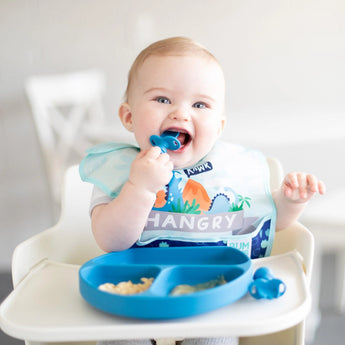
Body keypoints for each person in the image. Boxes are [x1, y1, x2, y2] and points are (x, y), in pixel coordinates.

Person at [79, 37, 325, 345]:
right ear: (129, 116)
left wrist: (289, 202)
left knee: (216, 339)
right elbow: (111, 240)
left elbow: (265, 219)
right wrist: (139, 187)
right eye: (163, 100)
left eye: (199, 105)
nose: (181, 114)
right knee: (117, 339)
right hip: (136, 292)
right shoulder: (119, 171)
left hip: (213, 289)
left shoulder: (230, 172)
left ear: (219, 126)